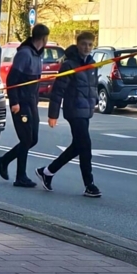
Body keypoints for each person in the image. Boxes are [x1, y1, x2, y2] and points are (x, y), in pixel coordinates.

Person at [37, 31, 101, 198]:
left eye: (90, 45)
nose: (86, 47)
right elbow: (58, 91)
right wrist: (53, 114)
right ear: (77, 44)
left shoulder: (92, 65)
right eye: (83, 44)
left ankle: (47, 172)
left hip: (85, 111)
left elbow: (92, 88)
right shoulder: (69, 65)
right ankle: (89, 184)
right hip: (74, 111)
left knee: (77, 147)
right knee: (85, 146)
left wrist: (94, 103)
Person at [0, 24, 50, 187]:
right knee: (26, 139)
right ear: (44, 38)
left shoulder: (37, 54)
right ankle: (20, 176)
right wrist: (15, 102)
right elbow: (12, 79)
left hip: (31, 102)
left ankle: (3, 161)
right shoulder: (25, 54)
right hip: (22, 102)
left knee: (33, 139)